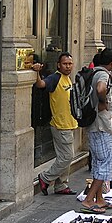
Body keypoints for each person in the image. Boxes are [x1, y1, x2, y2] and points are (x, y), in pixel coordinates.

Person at [32, 52, 78, 195]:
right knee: (67, 156)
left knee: (64, 157)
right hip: (60, 125)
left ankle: (61, 185)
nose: (68, 66)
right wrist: (37, 73)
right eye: (65, 64)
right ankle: (45, 178)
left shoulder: (67, 79)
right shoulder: (55, 78)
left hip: (70, 123)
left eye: (70, 63)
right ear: (59, 65)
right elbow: (41, 84)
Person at [81, 48, 112, 214]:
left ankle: (99, 198)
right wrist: (103, 103)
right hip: (101, 125)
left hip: (95, 124)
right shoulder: (103, 75)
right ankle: (89, 199)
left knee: (97, 161)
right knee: (105, 161)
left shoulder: (93, 72)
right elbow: (101, 89)